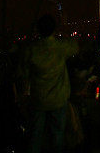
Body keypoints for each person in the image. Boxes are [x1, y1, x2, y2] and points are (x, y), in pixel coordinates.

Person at [17, 13, 79, 153]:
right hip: (58, 99)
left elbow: (23, 75)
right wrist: (65, 31)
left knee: (35, 137)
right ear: (54, 29)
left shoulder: (31, 50)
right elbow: (75, 46)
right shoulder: (59, 47)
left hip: (38, 99)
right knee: (57, 137)